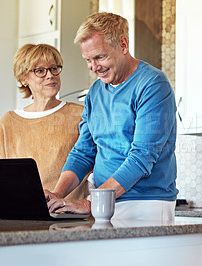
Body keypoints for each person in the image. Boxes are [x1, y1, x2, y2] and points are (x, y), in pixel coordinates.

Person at [46, 12, 178, 221]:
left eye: (100, 57)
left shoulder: (153, 85)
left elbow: (141, 157)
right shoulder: (95, 93)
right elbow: (83, 153)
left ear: (123, 45)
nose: (94, 67)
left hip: (145, 205)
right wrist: (57, 195)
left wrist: (90, 203)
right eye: (88, 60)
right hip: (103, 204)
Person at [0, 43, 88, 200]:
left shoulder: (81, 114)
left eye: (54, 68)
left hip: (69, 218)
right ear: (23, 79)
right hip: (21, 217)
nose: (50, 75)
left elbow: (96, 167)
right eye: (40, 71)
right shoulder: (8, 122)